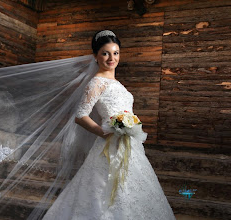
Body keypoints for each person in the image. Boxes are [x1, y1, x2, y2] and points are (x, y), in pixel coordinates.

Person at [41, 30, 176, 220]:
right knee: (103, 191)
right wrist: (105, 133)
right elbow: (80, 116)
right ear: (96, 56)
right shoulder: (96, 83)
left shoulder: (118, 84)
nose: (111, 58)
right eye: (105, 53)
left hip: (130, 146)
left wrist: (130, 126)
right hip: (109, 146)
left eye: (116, 53)